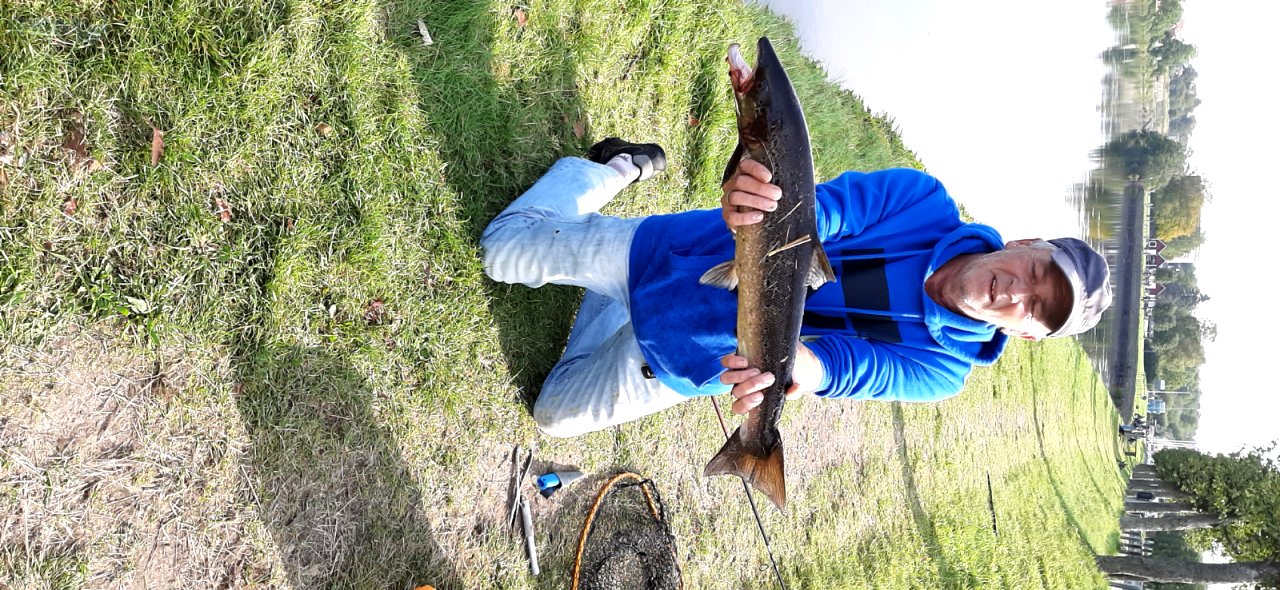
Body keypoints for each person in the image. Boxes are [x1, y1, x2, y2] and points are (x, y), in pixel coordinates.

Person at [480, 138, 1114, 437]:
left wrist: (792, 370)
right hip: (676, 255)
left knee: (553, 415)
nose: (1017, 292)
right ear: (1026, 242)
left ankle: (609, 303)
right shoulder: (921, 201)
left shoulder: (942, 371)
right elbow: (817, 213)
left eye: (1036, 309)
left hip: (685, 360)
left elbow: (844, 369)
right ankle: (613, 170)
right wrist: (754, 200)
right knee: (500, 249)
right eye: (1037, 273)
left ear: (1026, 335)